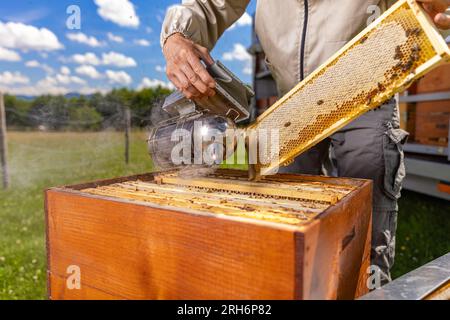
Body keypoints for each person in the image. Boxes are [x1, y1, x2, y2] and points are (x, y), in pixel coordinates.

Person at [160, 0, 450, 285]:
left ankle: (366, 290)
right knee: (291, 219)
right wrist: (176, 36)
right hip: (293, 104)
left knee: (366, 223)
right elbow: (208, 4)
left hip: (368, 88)